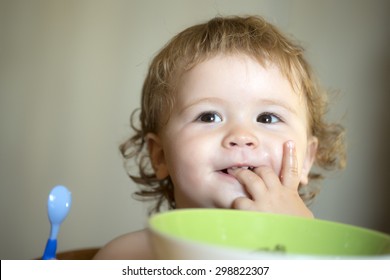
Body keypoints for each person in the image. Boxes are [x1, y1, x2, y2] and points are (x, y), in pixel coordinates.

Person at [94, 15, 346, 259]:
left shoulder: (327, 259)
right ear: (160, 156)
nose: (241, 136)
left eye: (268, 118)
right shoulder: (127, 257)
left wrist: (299, 242)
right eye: (208, 117)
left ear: (305, 159)